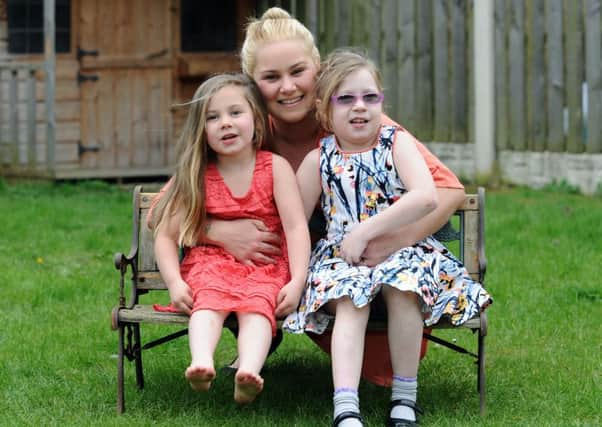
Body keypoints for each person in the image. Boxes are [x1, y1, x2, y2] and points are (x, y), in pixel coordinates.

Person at [210, 6, 468, 386]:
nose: (288, 87)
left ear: (317, 68)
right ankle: (259, 337)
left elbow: (448, 189)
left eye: (298, 71)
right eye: (271, 77)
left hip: (364, 268)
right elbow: (174, 202)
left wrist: (392, 241)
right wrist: (216, 231)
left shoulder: (355, 120)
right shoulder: (244, 130)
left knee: (381, 370)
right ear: (252, 82)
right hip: (282, 271)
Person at [283, 49, 492, 427]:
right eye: (345, 99)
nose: (359, 107)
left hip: (401, 249)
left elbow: (426, 195)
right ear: (323, 111)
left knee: (404, 289)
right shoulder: (319, 160)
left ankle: (404, 399)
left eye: (369, 97)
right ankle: (346, 407)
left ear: (382, 100)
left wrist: (366, 230)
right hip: (343, 257)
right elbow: (293, 219)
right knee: (349, 299)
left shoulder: (395, 143)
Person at [149, 73, 310, 404]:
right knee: (206, 301)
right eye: (212, 117)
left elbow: (295, 228)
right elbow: (165, 233)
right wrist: (175, 283)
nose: (225, 123)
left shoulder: (274, 168)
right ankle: (202, 362)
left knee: (258, 308)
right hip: (211, 263)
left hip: (264, 267)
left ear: (256, 118)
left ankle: (248, 372)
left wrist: (297, 281)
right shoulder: (197, 174)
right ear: (201, 130)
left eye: (235, 112)